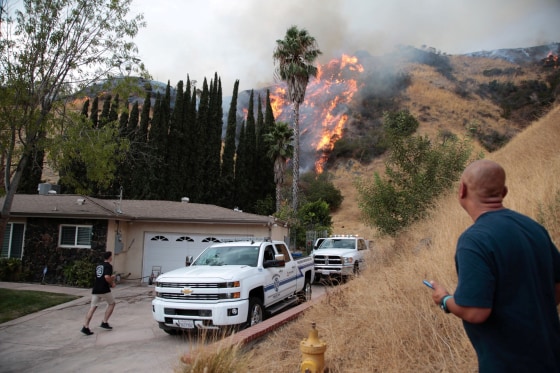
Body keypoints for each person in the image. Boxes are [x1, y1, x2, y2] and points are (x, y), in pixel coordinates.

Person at [428, 159, 560, 372]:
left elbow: (475, 312)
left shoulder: (474, 240)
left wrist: (444, 299)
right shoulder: (533, 228)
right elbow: (557, 286)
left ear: (461, 190)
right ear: (504, 192)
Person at [81, 251, 116, 336]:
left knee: (93, 307)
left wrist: (111, 278)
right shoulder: (108, 266)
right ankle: (104, 322)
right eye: (111, 256)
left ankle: (85, 326)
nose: (112, 257)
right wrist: (112, 283)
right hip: (104, 289)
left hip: (96, 289)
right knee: (112, 304)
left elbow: (100, 276)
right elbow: (106, 277)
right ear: (109, 257)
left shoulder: (99, 265)